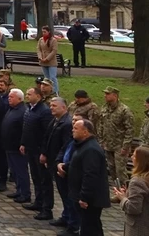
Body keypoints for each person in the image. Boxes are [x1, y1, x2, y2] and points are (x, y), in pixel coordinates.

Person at [61, 119, 110, 236]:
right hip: (83, 196)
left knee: (90, 228)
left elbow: (90, 175)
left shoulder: (91, 149)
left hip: (91, 200)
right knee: (89, 227)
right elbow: (78, 165)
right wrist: (64, 167)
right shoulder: (83, 146)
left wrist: (84, 197)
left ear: (85, 132)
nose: (72, 130)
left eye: (76, 128)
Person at [98, 86, 135, 199]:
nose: (105, 96)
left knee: (120, 171)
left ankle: (126, 194)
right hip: (108, 144)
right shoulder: (105, 108)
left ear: (115, 95)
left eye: (108, 94)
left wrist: (126, 146)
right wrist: (101, 140)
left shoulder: (124, 110)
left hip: (120, 146)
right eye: (105, 93)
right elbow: (101, 125)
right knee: (113, 171)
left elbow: (130, 129)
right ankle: (117, 192)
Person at [22, 87, 53, 217]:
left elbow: (47, 133)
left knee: (44, 180)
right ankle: (38, 201)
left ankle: (47, 208)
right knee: (35, 177)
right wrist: (23, 143)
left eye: (30, 94)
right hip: (30, 148)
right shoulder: (30, 108)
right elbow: (26, 127)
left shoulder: (44, 111)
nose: (27, 96)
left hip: (39, 150)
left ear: (38, 96)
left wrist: (44, 152)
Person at [45, 97, 74, 230]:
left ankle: (70, 220)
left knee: (66, 192)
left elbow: (66, 146)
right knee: (62, 192)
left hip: (61, 164)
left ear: (64, 107)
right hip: (53, 161)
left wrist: (60, 162)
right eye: (51, 105)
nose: (51, 107)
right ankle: (66, 216)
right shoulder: (55, 120)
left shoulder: (67, 123)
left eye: (54, 105)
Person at [114, 146, 149, 236]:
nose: (131, 157)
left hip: (137, 227)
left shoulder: (137, 182)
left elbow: (133, 208)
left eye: (134, 156)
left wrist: (122, 198)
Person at [4, 89, 31, 203]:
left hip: (17, 147)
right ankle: (19, 190)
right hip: (9, 146)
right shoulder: (12, 109)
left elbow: (25, 130)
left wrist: (22, 143)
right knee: (15, 171)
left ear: (19, 99)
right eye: (9, 96)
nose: (9, 98)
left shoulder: (22, 111)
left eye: (12, 97)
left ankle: (25, 193)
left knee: (21, 171)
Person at [37, 26, 59, 94]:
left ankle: (55, 91)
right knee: (46, 78)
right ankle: (47, 91)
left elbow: (54, 51)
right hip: (43, 61)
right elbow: (38, 49)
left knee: (52, 77)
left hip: (51, 61)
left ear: (48, 32)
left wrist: (47, 58)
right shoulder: (41, 40)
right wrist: (40, 57)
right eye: (42, 32)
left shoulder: (53, 40)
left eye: (45, 32)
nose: (43, 33)